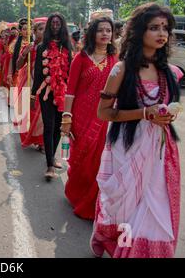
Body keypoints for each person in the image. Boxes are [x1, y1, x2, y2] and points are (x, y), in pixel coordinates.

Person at [91, 3, 182, 258]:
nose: (161, 33)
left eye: (165, 28)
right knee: (129, 207)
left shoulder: (168, 72)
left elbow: (166, 108)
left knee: (156, 207)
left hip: (161, 151)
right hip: (129, 147)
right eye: (154, 28)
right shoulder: (121, 70)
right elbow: (104, 112)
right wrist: (144, 114)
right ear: (139, 31)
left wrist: (167, 114)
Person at [61, 17, 118, 220]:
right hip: (81, 115)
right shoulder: (82, 58)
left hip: (105, 118)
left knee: (99, 160)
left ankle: (93, 201)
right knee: (80, 159)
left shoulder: (116, 60)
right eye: (100, 30)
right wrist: (66, 117)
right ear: (93, 33)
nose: (105, 34)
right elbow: (70, 91)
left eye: (108, 31)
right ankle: (76, 194)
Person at [31, 13, 72, 180]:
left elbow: (70, 72)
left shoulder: (67, 47)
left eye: (58, 23)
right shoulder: (42, 47)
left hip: (62, 92)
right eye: (53, 23)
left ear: (62, 26)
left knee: (57, 128)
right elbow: (39, 73)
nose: (55, 25)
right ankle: (49, 165)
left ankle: (52, 157)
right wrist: (34, 95)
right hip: (47, 92)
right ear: (49, 26)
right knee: (49, 126)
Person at [14, 20, 46, 150]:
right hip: (29, 82)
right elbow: (18, 65)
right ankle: (30, 136)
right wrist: (24, 54)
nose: (43, 32)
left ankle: (41, 141)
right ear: (34, 32)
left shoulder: (52, 47)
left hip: (45, 84)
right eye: (40, 29)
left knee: (42, 114)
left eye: (45, 29)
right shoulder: (29, 47)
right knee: (28, 112)